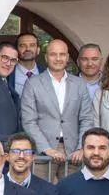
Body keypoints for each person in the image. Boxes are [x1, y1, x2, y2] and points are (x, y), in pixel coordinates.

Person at [20, 38, 96, 172]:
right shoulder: (33, 83)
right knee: (41, 192)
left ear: (67, 57)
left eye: (62, 54)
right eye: (53, 54)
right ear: (46, 57)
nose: (58, 58)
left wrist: (80, 147)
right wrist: (47, 149)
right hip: (42, 151)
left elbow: (86, 118)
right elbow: (28, 121)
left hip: (73, 152)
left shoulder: (79, 84)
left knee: (71, 192)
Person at [9, 33, 44, 100]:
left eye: (32, 45)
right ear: (16, 50)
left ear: (38, 50)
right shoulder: (7, 73)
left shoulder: (47, 73)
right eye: (22, 46)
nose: (28, 49)